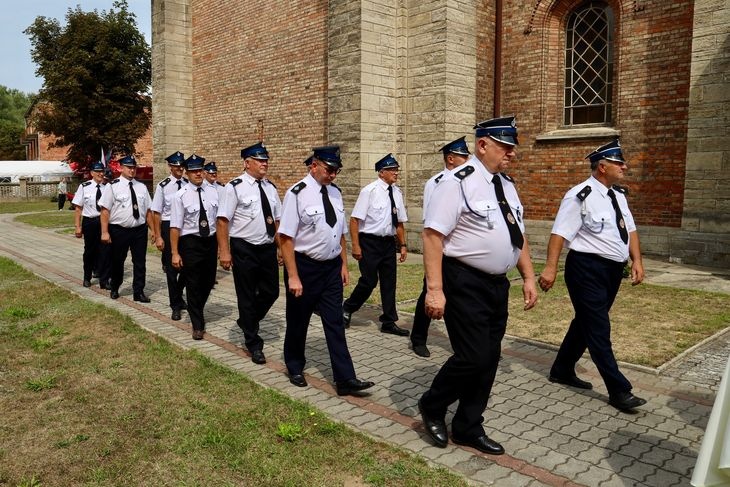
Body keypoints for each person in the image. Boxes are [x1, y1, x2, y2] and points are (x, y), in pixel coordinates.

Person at [418, 116, 538, 455]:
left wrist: (528, 276)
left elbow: (518, 235)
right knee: (473, 356)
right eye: (506, 146)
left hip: (497, 285)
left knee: (490, 357)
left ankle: (469, 425)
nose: (511, 153)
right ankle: (432, 403)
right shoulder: (456, 182)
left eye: (513, 147)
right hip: (464, 280)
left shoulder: (507, 184)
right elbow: (432, 236)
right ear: (482, 145)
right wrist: (435, 289)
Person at [538, 139, 647, 413]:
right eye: (619, 162)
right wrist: (550, 268)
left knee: (586, 322)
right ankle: (619, 390)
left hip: (611, 271)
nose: (625, 166)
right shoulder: (580, 195)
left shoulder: (618, 195)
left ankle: (562, 369)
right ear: (602, 166)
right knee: (599, 328)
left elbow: (630, 229)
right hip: (586, 269)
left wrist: (637, 260)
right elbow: (559, 233)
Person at [278, 145, 374, 395]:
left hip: (331, 268)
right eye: (329, 170)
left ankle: (345, 379)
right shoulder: (296, 193)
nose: (333, 175)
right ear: (314, 165)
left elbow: (339, 232)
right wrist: (293, 276)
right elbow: (286, 238)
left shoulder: (335, 193)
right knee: (298, 321)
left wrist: (342, 264)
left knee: (335, 323)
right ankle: (295, 366)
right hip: (305, 267)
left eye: (336, 171)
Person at [217, 142, 281, 364]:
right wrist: (224, 251)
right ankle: (253, 342)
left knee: (271, 291)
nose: (264, 163)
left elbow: (278, 220)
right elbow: (223, 221)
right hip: (244, 247)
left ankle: (247, 320)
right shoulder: (234, 187)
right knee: (246, 295)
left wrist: (281, 247)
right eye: (260, 160)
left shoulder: (271, 188)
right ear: (247, 163)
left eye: (266, 160)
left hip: (267, 247)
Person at [410, 137, 471, 357]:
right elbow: (431, 222)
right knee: (428, 292)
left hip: (461, 252)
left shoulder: (470, 181)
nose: (467, 160)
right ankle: (418, 338)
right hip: (441, 249)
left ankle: (469, 344)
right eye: (463, 156)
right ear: (450, 158)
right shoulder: (436, 182)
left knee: (463, 300)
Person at [342, 153, 409, 336]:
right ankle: (347, 308)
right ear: (381, 173)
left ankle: (389, 321)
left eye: (396, 170)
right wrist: (355, 245)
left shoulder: (396, 192)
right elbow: (355, 220)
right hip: (369, 242)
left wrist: (402, 245)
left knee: (389, 282)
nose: (396, 173)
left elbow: (399, 222)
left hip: (388, 243)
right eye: (392, 170)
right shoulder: (369, 191)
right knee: (369, 281)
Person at [170, 154, 219, 340]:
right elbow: (175, 226)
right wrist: (175, 252)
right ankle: (197, 324)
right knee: (193, 282)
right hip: (190, 242)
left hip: (210, 241)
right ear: (187, 173)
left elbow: (220, 221)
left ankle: (196, 306)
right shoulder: (179, 196)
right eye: (193, 171)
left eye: (200, 170)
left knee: (208, 280)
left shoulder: (214, 191)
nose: (198, 174)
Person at [99, 155, 154, 302]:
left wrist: (154, 230)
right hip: (119, 230)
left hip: (139, 230)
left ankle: (139, 291)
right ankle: (116, 286)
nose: (132, 170)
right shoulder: (113, 186)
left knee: (140, 262)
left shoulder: (141, 187)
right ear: (121, 168)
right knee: (117, 260)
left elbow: (148, 211)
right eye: (129, 167)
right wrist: (104, 232)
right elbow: (105, 211)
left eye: (133, 167)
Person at [150, 151, 188, 320]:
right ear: (170, 167)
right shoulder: (163, 186)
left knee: (187, 267)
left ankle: (179, 294)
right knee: (172, 269)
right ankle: (175, 305)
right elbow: (156, 212)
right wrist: (158, 235)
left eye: (182, 166)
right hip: (167, 225)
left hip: (185, 228)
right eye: (176, 166)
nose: (180, 168)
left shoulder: (189, 184)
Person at [72, 161, 110, 289]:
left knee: (105, 251)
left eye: (102, 171)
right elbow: (78, 208)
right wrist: (78, 226)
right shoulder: (84, 186)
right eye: (97, 171)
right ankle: (87, 277)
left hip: (104, 222)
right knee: (89, 251)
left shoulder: (108, 187)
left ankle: (104, 280)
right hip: (90, 221)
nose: (100, 174)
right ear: (92, 173)